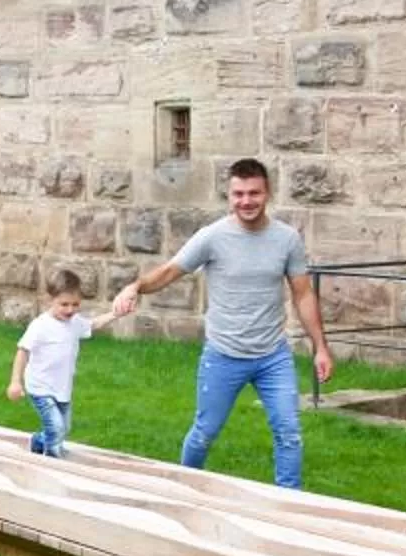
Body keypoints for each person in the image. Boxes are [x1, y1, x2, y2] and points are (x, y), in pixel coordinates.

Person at [110, 157, 336, 488]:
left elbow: (303, 295)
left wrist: (321, 348)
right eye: (238, 194)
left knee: (289, 432)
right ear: (229, 196)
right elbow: (171, 271)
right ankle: (183, 490)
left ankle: (289, 504)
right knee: (204, 433)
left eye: (254, 193)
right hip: (223, 355)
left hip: (272, 356)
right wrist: (135, 287)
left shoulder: (287, 239)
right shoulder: (212, 237)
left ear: (267, 193)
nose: (246, 201)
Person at [7, 269, 103, 457]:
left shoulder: (75, 322)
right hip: (40, 386)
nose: (70, 310)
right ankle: (52, 462)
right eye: (64, 304)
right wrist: (15, 382)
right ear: (50, 300)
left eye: (75, 304)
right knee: (57, 428)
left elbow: (92, 325)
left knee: (63, 428)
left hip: (61, 387)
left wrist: (115, 314)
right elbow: (22, 351)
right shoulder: (40, 325)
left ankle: (38, 441)